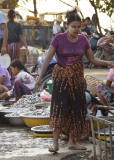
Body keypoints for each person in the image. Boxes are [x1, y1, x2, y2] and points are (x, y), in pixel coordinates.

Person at [34, 7, 114, 152]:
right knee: (58, 108)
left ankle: (72, 141)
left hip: (77, 77)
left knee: (76, 108)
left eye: (79, 27)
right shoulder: (58, 38)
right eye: (73, 27)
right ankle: (55, 144)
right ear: (67, 25)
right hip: (61, 77)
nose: (76, 29)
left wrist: (107, 63)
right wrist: (39, 77)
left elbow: (92, 59)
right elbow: (47, 58)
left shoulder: (83, 39)